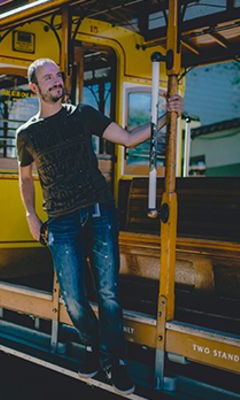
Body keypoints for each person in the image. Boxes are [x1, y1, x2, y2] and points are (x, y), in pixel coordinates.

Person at [16, 58, 183, 395]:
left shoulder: (83, 115)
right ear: (34, 88)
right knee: (74, 299)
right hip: (60, 221)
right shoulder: (27, 134)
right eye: (47, 78)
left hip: (98, 212)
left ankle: (115, 360)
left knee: (108, 294)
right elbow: (24, 179)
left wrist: (169, 115)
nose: (56, 81)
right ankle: (93, 348)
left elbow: (130, 138)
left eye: (58, 75)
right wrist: (31, 216)